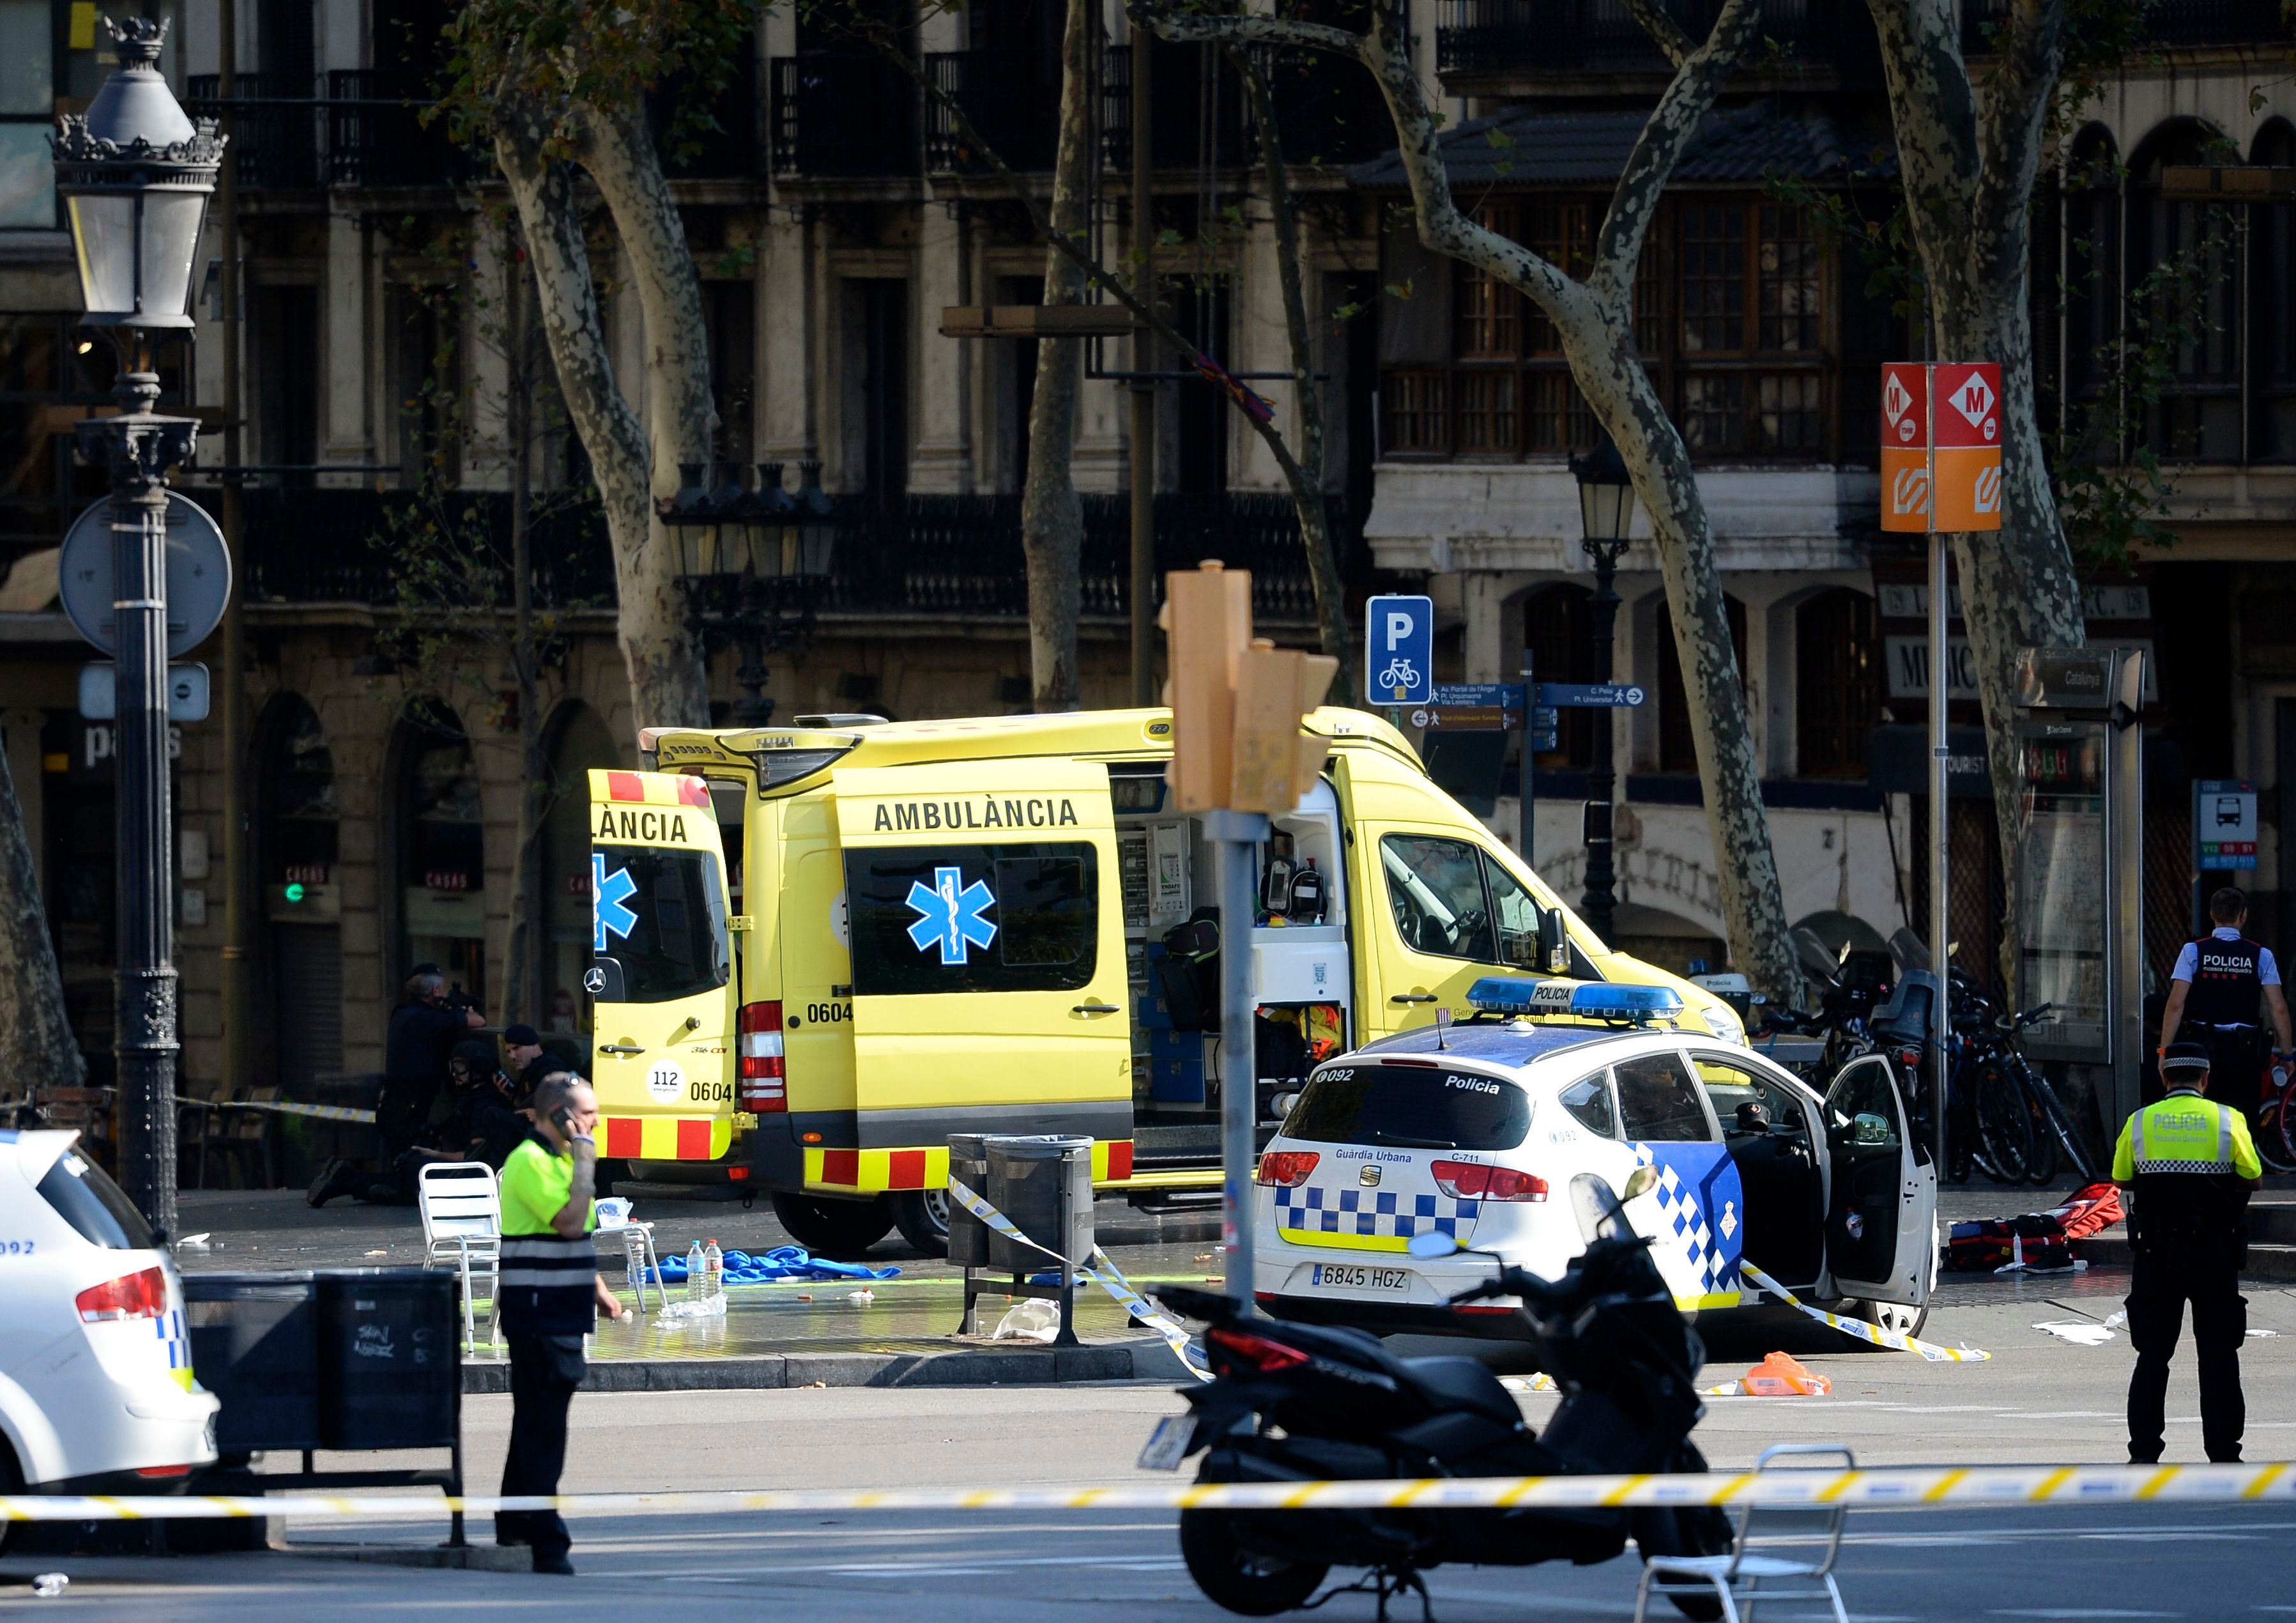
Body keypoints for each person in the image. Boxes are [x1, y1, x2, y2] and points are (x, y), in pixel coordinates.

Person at [496, 1073, 630, 1574]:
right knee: (543, 1430)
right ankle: (546, 1541)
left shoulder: (559, 1161)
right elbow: (570, 1221)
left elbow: (574, 1240)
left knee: (534, 1422)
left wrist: (598, 1290)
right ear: (558, 1115)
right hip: (538, 1312)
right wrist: (587, 1157)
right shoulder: (531, 1161)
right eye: (588, 1113)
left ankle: (513, 1527)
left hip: (560, 1308)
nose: (597, 1122)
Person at [2113, 1041, 2262, 1465]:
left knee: (2153, 1357)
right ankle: (2224, 1453)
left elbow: (2122, 1179)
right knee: (2218, 1355)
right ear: (2206, 1078)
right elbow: (2253, 1178)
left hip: (2157, 1253)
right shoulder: (2228, 1120)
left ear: (2164, 1078)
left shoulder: (2140, 1123)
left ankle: (2144, 1452)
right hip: (2215, 1252)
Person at [308, 967, 486, 1206]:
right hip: (406, 1113)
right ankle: (346, 1179)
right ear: (435, 990)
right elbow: (478, 1021)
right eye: (440, 989)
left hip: (397, 1108)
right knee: (412, 1186)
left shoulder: (404, 1013)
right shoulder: (426, 1019)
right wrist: (457, 1010)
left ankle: (344, 1177)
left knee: (409, 1175)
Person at [2159, 886, 2295, 1121]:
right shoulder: (2260, 955)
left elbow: (2175, 1005)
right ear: (2243, 916)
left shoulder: (2193, 951)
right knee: (2242, 1122)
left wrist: (2164, 1052)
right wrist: (2287, 1056)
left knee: (2203, 1119)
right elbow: (2279, 1008)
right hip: (2245, 1055)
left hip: (2202, 1055)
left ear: (2212, 914)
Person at [501, 1022, 548, 1104]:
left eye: (516, 1048)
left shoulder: (548, 1072)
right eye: (509, 1052)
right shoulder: (529, 1070)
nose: (512, 1056)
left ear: (533, 1046)